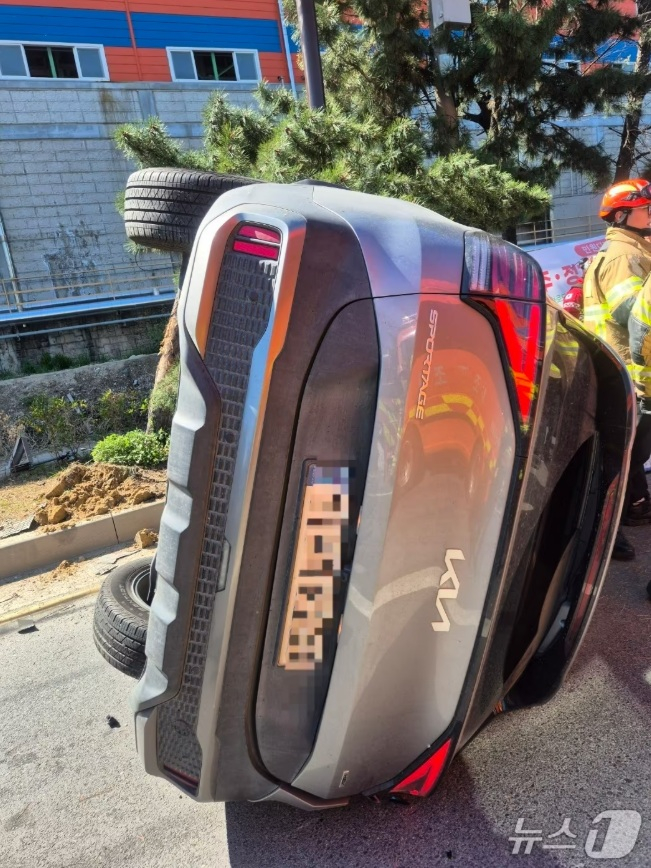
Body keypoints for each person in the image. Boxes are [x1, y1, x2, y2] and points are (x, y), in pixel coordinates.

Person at [583, 178, 651, 561]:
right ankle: (601, 534)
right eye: (646, 209)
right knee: (618, 460)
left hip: (623, 371)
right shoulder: (622, 257)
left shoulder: (632, 249)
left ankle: (634, 508)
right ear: (623, 215)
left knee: (628, 453)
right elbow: (633, 315)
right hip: (626, 374)